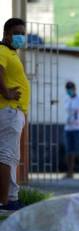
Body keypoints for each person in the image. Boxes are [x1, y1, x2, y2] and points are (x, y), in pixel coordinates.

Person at [0, 18, 28, 210]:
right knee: (6, 155)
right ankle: (4, 201)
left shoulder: (11, 53)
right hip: (9, 109)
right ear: (6, 34)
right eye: (17, 33)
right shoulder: (2, 51)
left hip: (15, 112)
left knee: (11, 157)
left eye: (23, 34)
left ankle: (11, 197)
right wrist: (6, 92)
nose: (21, 37)